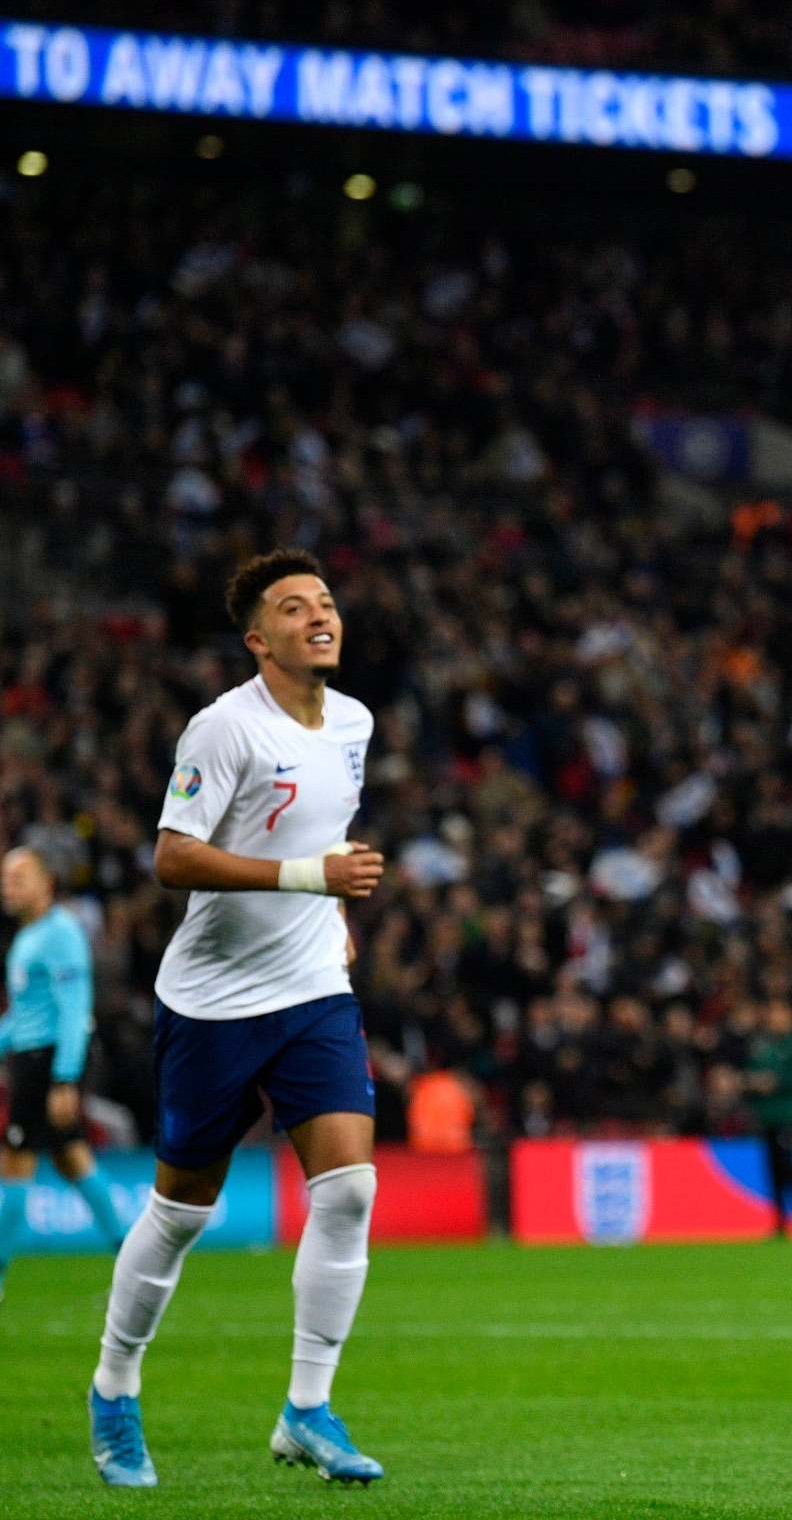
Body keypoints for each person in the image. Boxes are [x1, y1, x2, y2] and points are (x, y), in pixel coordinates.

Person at [86, 550, 388, 1487]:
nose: (319, 615)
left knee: (348, 1191)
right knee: (182, 1210)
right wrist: (314, 880)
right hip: (213, 1001)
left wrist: (328, 908)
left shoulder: (354, 721)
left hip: (309, 991)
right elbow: (172, 857)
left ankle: (307, 1409)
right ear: (259, 639)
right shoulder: (222, 729)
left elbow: (321, 831)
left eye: (326, 601)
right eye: (294, 608)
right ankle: (114, 1385)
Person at [0, 846, 129, 1301]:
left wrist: (63, 1079)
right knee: (72, 1159)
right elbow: (24, 1012)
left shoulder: (60, 935)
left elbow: (75, 1010)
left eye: (19, 877)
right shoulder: (28, 935)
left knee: (15, 1162)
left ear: (46, 883)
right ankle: (132, 1258)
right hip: (32, 1057)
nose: (8, 886)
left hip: (47, 1061)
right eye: (5, 878)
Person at [747, 1001, 792, 1237]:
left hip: (790, 1116)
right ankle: (779, 1221)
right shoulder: (763, 1046)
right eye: (773, 1015)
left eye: (781, 1015)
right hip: (768, 1117)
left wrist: (774, 1081)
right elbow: (753, 1073)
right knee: (773, 1170)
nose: (776, 1020)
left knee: (789, 1167)